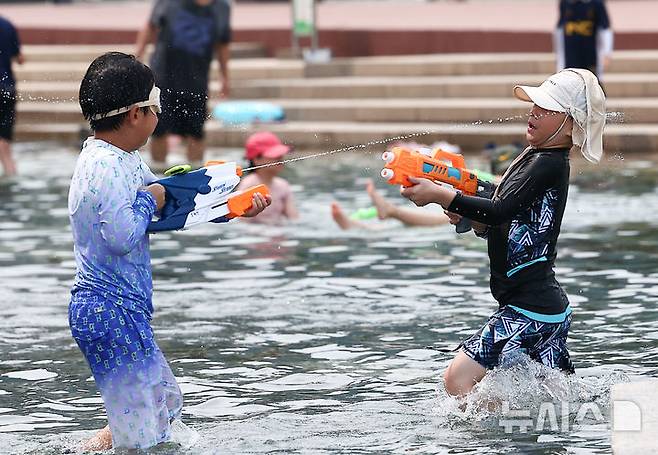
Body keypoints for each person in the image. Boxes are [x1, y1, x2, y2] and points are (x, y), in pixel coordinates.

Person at [68, 52, 269, 451]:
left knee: (164, 405)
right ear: (135, 115)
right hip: (108, 313)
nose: (160, 114)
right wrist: (150, 197)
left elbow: (163, 208)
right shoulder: (102, 168)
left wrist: (227, 207)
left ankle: (92, 448)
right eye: (155, 105)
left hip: (124, 312)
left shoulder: (123, 159)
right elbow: (123, 235)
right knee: (145, 435)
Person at [399, 69, 605, 398]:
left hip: (530, 308)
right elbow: (502, 217)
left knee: (457, 380)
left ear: (570, 124)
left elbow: (499, 211)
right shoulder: (535, 158)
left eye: (547, 108)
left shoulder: (548, 163)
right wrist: (468, 213)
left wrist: (441, 195)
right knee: (555, 398)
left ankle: (487, 442)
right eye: (535, 105)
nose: (534, 113)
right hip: (542, 308)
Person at [135, 0, 231, 170]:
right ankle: (159, 172)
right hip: (163, 77)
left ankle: (194, 173)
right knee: (159, 129)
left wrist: (225, 77)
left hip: (197, 81)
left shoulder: (221, 7)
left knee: (196, 132)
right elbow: (150, 25)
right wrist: (138, 56)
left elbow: (222, 43)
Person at [237, 131, 299, 225]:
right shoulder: (248, 184)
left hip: (279, 234)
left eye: (280, 155)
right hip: (255, 235)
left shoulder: (283, 186)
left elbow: (294, 219)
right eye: (274, 155)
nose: (280, 158)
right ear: (256, 159)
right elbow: (242, 221)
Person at [555, 0, 613, 80]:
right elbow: (560, 31)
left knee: (592, 83)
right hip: (571, 58)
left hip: (591, 56)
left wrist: (606, 53)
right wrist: (560, 59)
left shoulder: (596, 3)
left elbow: (605, 30)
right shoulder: (565, 3)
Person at [0, 15, 24, 177]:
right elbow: (20, 59)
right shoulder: (7, 25)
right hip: (6, 87)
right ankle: (10, 172)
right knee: (5, 142)